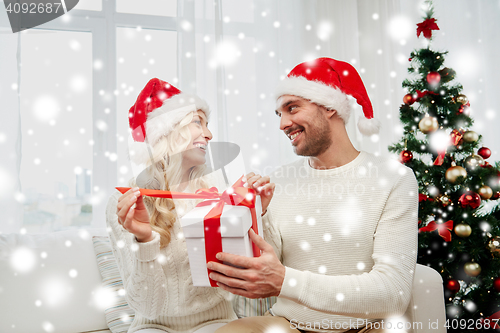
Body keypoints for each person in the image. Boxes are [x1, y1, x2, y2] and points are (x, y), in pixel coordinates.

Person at [209, 58, 419, 333]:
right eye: (279, 114)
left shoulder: (393, 178)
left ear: (330, 107)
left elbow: (393, 293)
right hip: (287, 325)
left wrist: (287, 281)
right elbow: (268, 266)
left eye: (292, 108)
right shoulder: (279, 180)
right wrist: (258, 214)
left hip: (366, 327)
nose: (283, 124)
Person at [106, 78, 274, 333]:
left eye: (208, 124)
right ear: (167, 132)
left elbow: (264, 274)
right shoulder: (125, 203)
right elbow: (147, 307)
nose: (209, 134)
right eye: (198, 122)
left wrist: (258, 213)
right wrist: (144, 240)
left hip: (215, 322)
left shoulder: (221, 189)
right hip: (152, 326)